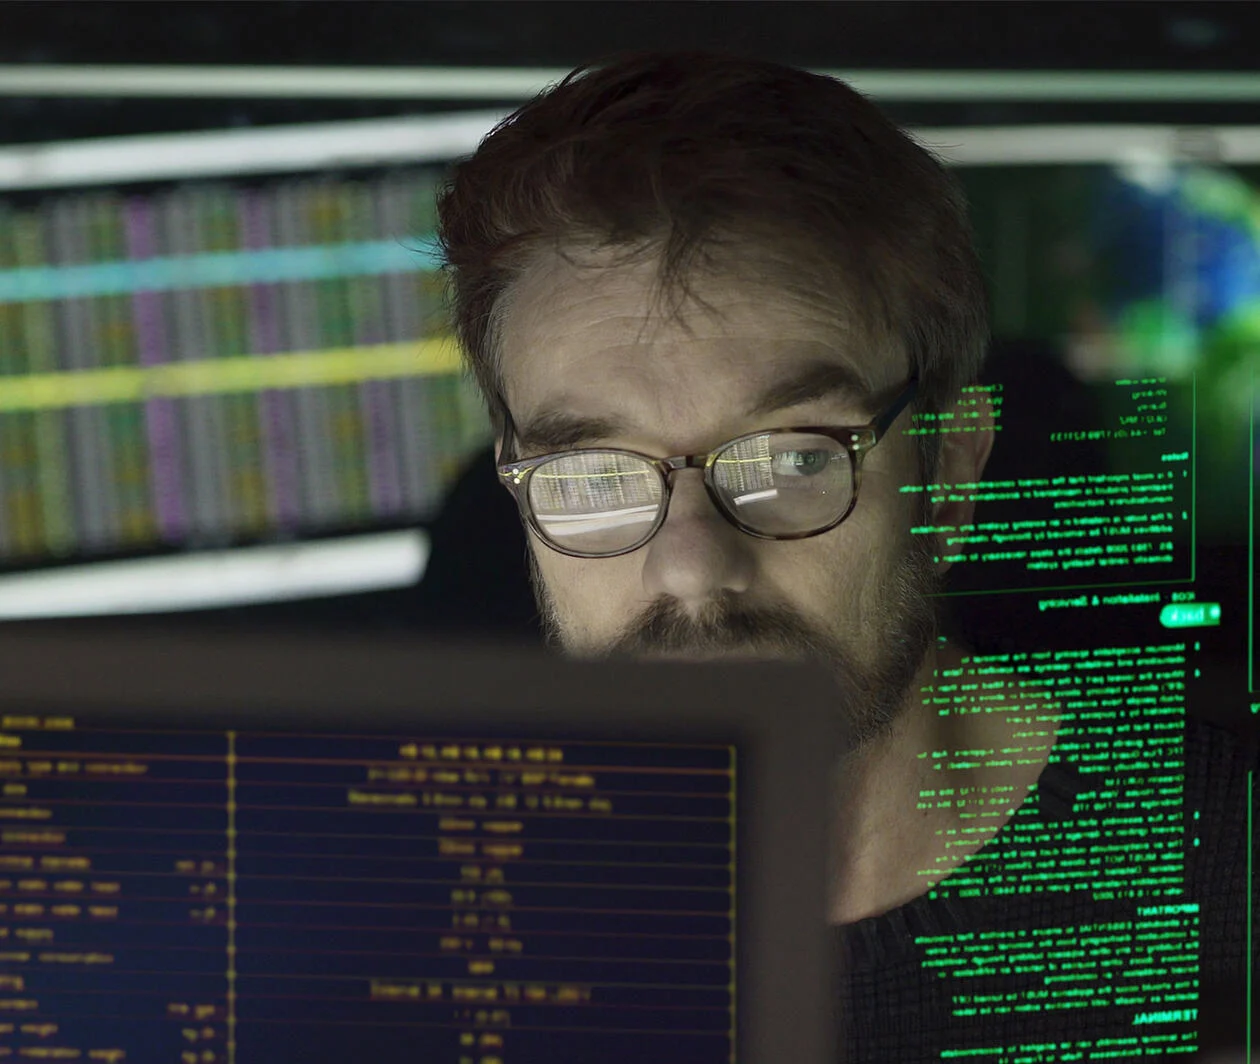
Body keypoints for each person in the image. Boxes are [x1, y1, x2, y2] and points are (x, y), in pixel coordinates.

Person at [433, 51, 1255, 1060]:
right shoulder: (392, 922)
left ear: (948, 474)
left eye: (791, 457)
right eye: (594, 473)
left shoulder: (1229, 878)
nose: (691, 569)